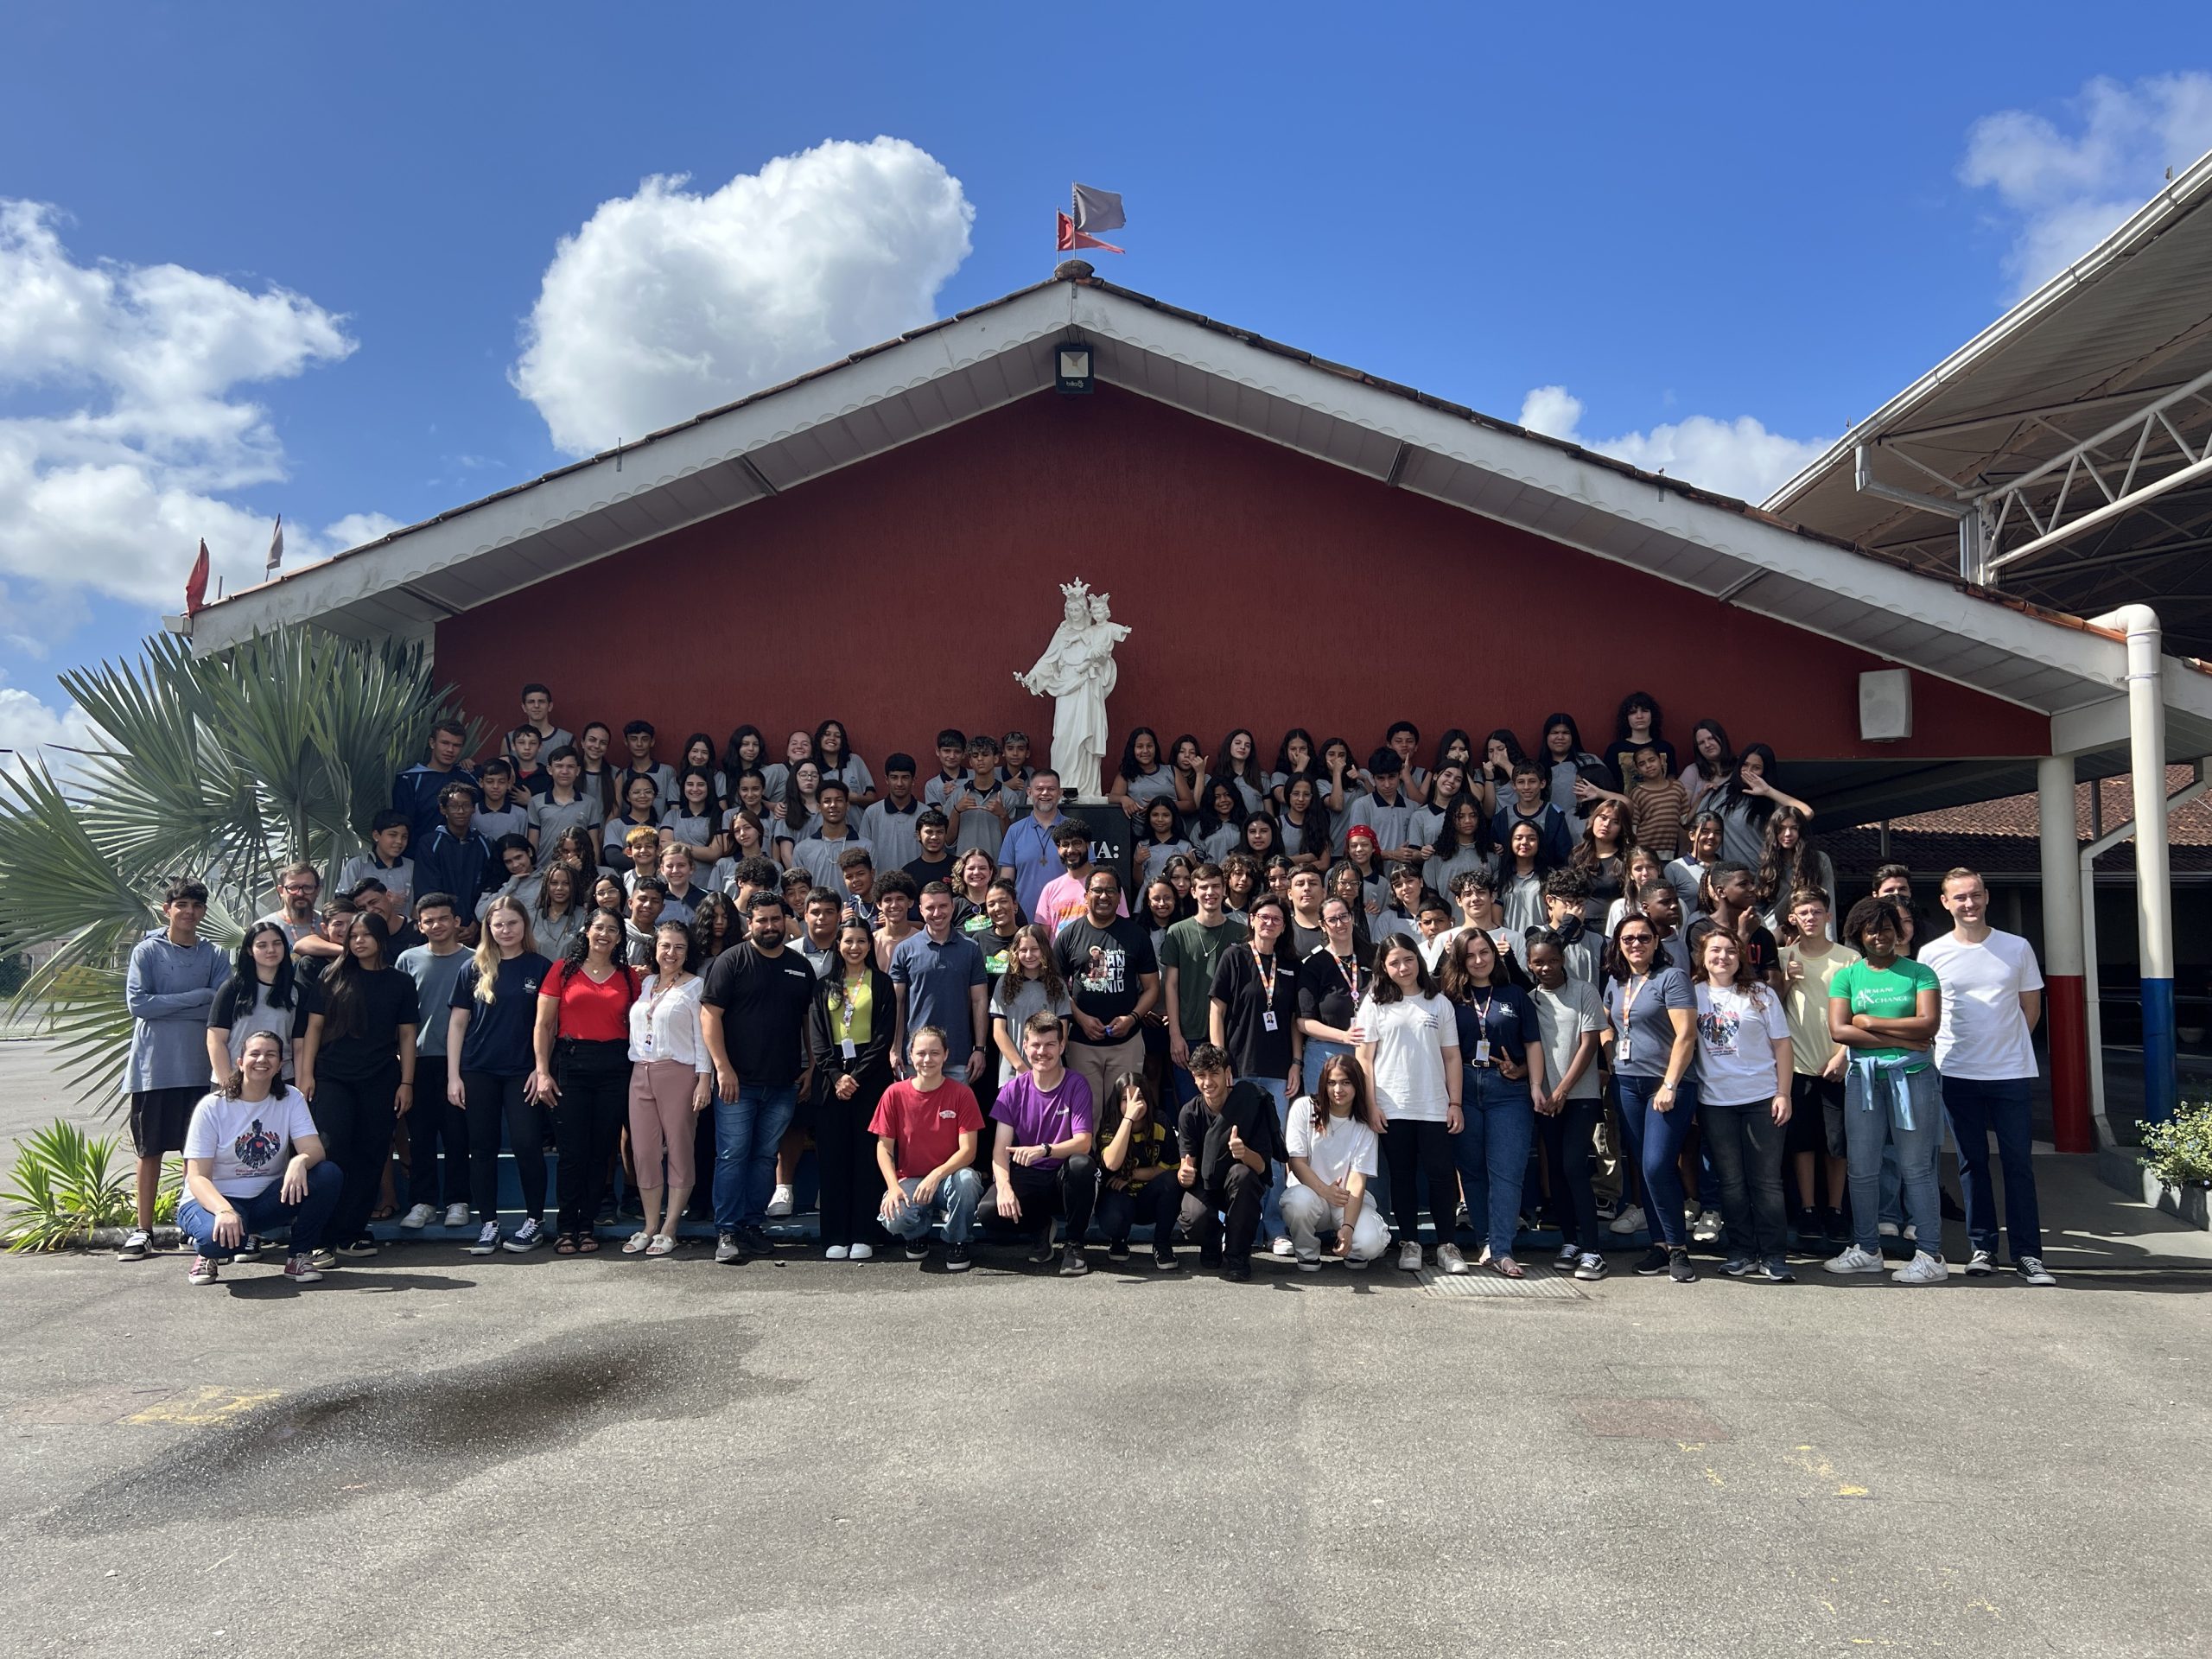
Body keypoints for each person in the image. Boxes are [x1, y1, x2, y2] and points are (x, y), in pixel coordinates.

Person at [1919, 868, 2056, 1286]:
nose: (1969, 904)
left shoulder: (2017, 948)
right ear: (1946, 903)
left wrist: (2007, 1046)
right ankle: (1983, 1248)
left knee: (2018, 1163)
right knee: (1970, 1163)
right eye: (1959, 897)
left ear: (1986, 896)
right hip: (1956, 1071)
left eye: (1975, 895)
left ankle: (2029, 1255)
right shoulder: (1931, 953)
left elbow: (2030, 1008)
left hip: (2010, 1071)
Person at [1824, 897, 1948, 1285]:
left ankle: (1931, 1254)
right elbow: (1838, 1030)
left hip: (1913, 1078)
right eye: (1872, 930)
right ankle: (1866, 1249)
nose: (1880, 937)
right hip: (1863, 1078)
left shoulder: (1920, 973)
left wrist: (1869, 1021)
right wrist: (1903, 1036)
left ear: (1899, 932)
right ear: (1859, 934)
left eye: (1887, 929)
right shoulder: (1847, 976)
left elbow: (1929, 1025)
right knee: (1862, 1169)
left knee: (1916, 1168)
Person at [701, 893, 821, 1263]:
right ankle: (728, 1231)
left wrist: (813, 1065)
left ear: (786, 921)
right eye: (761, 920)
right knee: (733, 1156)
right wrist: (723, 1068)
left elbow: (809, 1022)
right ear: (749, 923)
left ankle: (752, 1226)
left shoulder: (801, 967)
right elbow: (709, 1016)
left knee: (765, 1157)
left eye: (775, 920)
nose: (769, 927)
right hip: (737, 1083)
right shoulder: (730, 961)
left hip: (783, 1083)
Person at [296, 910, 419, 1264]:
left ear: (382, 939)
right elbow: (313, 1029)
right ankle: (318, 1237)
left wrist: (407, 1082)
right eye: (353, 936)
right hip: (332, 1077)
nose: (359, 941)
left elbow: (407, 1035)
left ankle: (351, 1232)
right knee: (332, 1154)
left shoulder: (400, 982)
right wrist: (307, 1076)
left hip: (381, 1078)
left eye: (366, 935)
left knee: (371, 1155)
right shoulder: (331, 976)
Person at [176, 1031, 342, 1287]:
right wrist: (224, 1210)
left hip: (265, 1201)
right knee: (218, 1241)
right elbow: (196, 1177)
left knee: (327, 1174)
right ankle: (206, 1253)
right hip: (215, 1200)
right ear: (240, 1062)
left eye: (270, 1054)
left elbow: (314, 1149)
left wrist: (299, 1161)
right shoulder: (212, 1107)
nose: (261, 1060)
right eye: (254, 1054)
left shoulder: (290, 1098)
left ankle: (299, 1256)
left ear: (279, 1066)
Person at [118, 877, 228, 1262]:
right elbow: (139, 1005)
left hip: (200, 1070)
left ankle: (188, 1225)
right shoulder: (146, 951)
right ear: (168, 909)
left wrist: (173, 1002)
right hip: (154, 1069)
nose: (189, 912)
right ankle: (142, 1230)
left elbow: (219, 1005)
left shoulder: (214, 955)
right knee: (149, 1151)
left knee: (193, 1155)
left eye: (197, 906)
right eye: (182, 905)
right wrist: (197, 996)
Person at [446, 894, 554, 1255]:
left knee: (526, 1144)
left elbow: (549, 1025)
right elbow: (458, 1024)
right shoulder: (472, 967)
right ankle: (489, 1224)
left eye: (512, 922)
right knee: (482, 1148)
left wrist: (542, 1070)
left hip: (522, 1072)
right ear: (488, 928)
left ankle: (534, 1221)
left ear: (525, 924)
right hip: (478, 1070)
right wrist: (453, 1076)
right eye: (498, 924)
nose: (505, 930)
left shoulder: (540, 967)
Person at [531, 908, 639, 1255]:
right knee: (572, 1153)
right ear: (586, 931)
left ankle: (588, 1224)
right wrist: (542, 1070)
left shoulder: (627, 976)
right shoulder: (563, 970)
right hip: (571, 1065)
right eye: (598, 927)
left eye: (612, 929)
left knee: (601, 1151)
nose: (604, 934)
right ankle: (566, 1227)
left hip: (615, 1067)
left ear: (620, 938)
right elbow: (544, 1025)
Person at [1689, 929, 1796, 1283]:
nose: (1723, 957)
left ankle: (1775, 1255)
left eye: (1730, 951)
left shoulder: (1761, 993)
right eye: (1715, 950)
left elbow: (1782, 1046)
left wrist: (1784, 1093)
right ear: (1702, 956)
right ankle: (1741, 1252)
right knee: (1730, 1182)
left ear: (1741, 957)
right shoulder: (1692, 995)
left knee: (1766, 1182)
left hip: (1761, 1098)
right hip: (1715, 1102)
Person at [1602, 917, 1702, 1281]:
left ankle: (1678, 1249)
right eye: (1627, 938)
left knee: (1659, 1164)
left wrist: (1670, 1084)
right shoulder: (1617, 980)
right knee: (1644, 1165)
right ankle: (1660, 1246)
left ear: (1656, 940)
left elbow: (1686, 1035)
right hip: (1627, 1083)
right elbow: (1607, 1023)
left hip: (1667, 1085)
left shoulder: (1671, 978)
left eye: (1644, 937)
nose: (1635, 944)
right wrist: (1612, 1058)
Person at [1357, 933, 1462, 1273]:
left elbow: (1451, 1057)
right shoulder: (1374, 1001)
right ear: (1383, 968)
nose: (1403, 968)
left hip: (1434, 1104)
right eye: (1394, 962)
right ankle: (1410, 1243)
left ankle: (1447, 1245)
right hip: (1392, 1105)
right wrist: (1371, 1105)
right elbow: (1364, 1059)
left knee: (1441, 1175)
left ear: (1418, 959)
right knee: (1401, 1176)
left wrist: (1455, 1103)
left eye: (1408, 959)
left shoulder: (1439, 1003)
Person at [1440, 927, 1541, 1278]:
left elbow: (1533, 1043)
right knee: (1471, 1170)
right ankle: (1486, 1243)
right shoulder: (1448, 999)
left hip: (1508, 1091)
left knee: (1507, 1172)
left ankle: (1502, 1248)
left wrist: (1532, 1080)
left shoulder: (1515, 994)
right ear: (1459, 960)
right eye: (1470, 955)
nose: (1479, 960)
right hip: (1463, 1088)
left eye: (1485, 952)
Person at [1208, 892, 1302, 1254]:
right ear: (1252, 920)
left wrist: (1295, 1063)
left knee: (1275, 1152)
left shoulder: (1290, 964)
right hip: (1239, 1069)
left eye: (1277, 919)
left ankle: (1275, 1229)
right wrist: (1221, 1063)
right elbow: (1217, 1010)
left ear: (1283, 926)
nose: (1269, 923)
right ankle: (1228, 1226)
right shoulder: (1234, 956)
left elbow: (1295, 1020)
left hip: (1278, 1071)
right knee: (1231, 1149)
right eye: (1263, 917)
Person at [982, 1012, 1097, 1274]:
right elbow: (1000, 1151)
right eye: (1035, 1045)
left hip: (1062, 1177)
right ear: (1025, 1046)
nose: (1041, 1052)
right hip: (1030, 1177)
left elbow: (1083, 1143)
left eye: (1049, 1045)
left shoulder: (1076, 1084)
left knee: (1082, 1166)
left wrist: (1045, 1149)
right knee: (988, 1212)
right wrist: (1004, 1188)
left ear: (1062, 1046)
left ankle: (1075, 1245)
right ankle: (1040, 1227)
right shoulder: (1012, 1090)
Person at [625, 918, 713, 1256]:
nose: (670, 953)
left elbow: (701, 1037)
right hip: (641, 1071)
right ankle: (649, 1224)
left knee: (679, 1147)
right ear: (655, 948)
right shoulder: (646, 983)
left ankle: (670, 1225)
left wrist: (704, 1078)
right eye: (665, 945)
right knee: (644, 1151)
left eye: (678, 947)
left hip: (679, 1071)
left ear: (687, 951)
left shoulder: (695, 986)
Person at [1778, 887, 1857, 1249]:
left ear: (1828, 916)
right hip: (1796, 1065)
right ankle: (1808, 1207)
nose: (1811, 918)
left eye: (1817, 911)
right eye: (1803, 912)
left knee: (1837, 1142)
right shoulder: (1784, 957)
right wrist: (1787, 981)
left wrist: (1842, 1055)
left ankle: (1836, 1208)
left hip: (1837, 1063)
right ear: (1793, 918)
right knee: (1802, 1141)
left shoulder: (1849, 959)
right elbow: (1770, 1008)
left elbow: (1858, 1011)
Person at [872, 1025, 986, 1270]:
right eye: (921, 1053)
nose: (927, 1059)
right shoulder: (894, 1094)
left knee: (968, 1181)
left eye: (935, 1053)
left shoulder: (962, 1094)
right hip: (910, 1179)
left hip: (949, 1179)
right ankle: (917, 1233)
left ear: (946, 1055)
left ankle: (957, 1240)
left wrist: (936, 1175)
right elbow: (884, 1148)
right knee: (895, 1217)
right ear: (910, 1055)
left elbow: (969, 1151)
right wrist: (893, 1188)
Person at [1528, 933, 1608, 1279]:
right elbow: (1534, 1049)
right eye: (1538, 962)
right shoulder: (1530, 999)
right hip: (1546, 1100)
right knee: (1556, 1170)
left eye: (1552, 960)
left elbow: (1589, 1044)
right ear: (1529, 964)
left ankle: (1593, 1249)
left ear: (1563, 959)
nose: (1546, 968)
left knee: (1575, 1166)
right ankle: (1571, 1241)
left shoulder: (1584, 991)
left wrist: (1561, 1090)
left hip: (1580, 1096)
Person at [1173, 1042, 1287, 1281]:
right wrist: (1184, 1173)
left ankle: (1237, 1255)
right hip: (1205, 1185)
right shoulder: (1189, 1113)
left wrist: (1243, 1152)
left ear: (1228, 1074)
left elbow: (1262, 1167)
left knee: (1242, 1175)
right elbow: (1188, 1164)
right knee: (1193, 1217)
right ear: (1193, 1078)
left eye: (1214, 1073)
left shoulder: (1250, 1104)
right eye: (1200, 1076)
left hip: (1239, 1187)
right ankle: (1212, 1241)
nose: (1208, 1082)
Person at [395, 893, 474, 1230]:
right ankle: (422, 1201)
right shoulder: (407, 960)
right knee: (421, 1136)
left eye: (443, 918)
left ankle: (458, 1201)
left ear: (456, 921)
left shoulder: (476, 959)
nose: (436, 925)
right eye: (428, 920)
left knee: (458, 1135)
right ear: (419, 925)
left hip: (463, 1061)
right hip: (419, 1060)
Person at [1053, 867, 1161, 1111]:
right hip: (1081, 1043)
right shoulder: (1069, 936)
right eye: (1098, 890)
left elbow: (1152, 987)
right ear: (1086, 895)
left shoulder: (1136, 935)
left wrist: (1132, 1018)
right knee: (1087, 1112)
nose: (1104, 896)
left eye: (1111, 891)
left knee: (1124, 1112)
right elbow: (1055, 987)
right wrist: (1079, 1018)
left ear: (1120, 896)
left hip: (1127, 1042)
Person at [1281, 1054, 1391, 1269]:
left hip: (1347, 1201)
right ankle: (1307, 1253)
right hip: (1312, 1196)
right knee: (1297, 1202)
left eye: (1346, 1082)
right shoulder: (1304, 1108)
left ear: (1357, 1085)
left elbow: (1358, 1179)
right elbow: (1297, 1162)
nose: (1338, 1090)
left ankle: (1352, 1249)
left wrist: (1348, 1227)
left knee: (1371, 1244)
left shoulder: (1365, 1124)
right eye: (1332, 1083)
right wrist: (1325, 1191)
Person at [1159, 862, 1249, 1094]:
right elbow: (1171, 985)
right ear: (1193, 892)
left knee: (1228, 1103)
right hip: (1189, 1034)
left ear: (1224, 890)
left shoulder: (1241, 932)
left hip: (1231, 1033)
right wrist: (1175, 1035)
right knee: (1192, 1104)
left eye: (1216, 886)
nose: (1210, 893)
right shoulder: (1178, 931)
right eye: (1204, 887)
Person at [890, 882, 989, 1082]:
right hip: (915, 1057)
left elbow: (979, 1001)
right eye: (930, 907)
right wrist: (894, 1049)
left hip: (959, 1056)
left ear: (952, 907)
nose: (937, 913)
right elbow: (897, 1003)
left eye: (943, 906)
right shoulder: (905, 949)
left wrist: (979, 1048)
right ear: (920, 910)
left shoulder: (971, 949)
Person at [207, 920, 319, 1088]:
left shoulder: (297, 992)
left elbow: (299, 1046)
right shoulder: (233, 988)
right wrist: (228, 1084)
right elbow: (215, 1039)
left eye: (277, 944)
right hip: (234, 1080)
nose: (271, 950)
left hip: (281, 1081)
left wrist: (301, 1083)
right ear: (249, 951)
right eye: (262, 945)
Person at [1092, 1071, 1183, 1268]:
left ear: (1149, 1099)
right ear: (1117, 1102)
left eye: (1139, 1098)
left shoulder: (1160, 1122)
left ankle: (1162, 1244)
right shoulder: (1110, 1125)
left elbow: (1172, 1166)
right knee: (1114, 1220)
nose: (1133, 1104)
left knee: (1172, 1182)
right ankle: (1118, 1240)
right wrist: (1128, 1120)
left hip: (1148, 1197)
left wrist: (1133, 1174)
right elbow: (1111, 1164)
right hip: (1118, 1197)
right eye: (1126, 1099)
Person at [1296, 896, 1370, 1096]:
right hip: (1326, 1052)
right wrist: (1344, 1036)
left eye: (1344, 917)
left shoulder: (1373, 955)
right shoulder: (1313, 965)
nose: (1340, 924)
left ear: (1352, 918)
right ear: (1322, 925)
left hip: (1369, 1050)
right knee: (1322, 1118)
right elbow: (1304, 1022)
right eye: (1332, 920)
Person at [989, 923, 1072, 1084]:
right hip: (1013, 1073)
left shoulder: (1057, 984)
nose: (1029, 955)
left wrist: (1045, 1066)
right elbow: (998, 1032)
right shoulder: (1005, 983)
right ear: (1015, 952)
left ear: (1044, 950)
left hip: (1048, 1070)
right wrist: (1021, 1068)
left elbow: (1062, 1032)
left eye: (1034, 949)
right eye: (1023, 950)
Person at [416, 781, 498, 922]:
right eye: (454, 806)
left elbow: (491, 887)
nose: (461, 811)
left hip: (479, 925)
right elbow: (428, 890)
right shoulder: (430, 843)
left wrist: (475, 923)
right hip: (441, 924)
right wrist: (453, 924)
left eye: (466, 805)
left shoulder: (486, 843)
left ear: (473, 808)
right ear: (443, 809)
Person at [998, 769, 1071, 920]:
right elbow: (1006, 880)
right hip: (1024, 919)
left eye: (1051, 789)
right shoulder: (1015, 831)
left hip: (1066, 918)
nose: (1045, 793)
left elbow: (1085, 876)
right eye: (1039, 789)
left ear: (1060, 793)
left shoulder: (1074, 830)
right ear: (1030, 793)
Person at [392, 718, 474, 848]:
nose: (450, 750)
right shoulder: (410, 779)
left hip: (459, 856)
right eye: (445, 743)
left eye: (456, 745)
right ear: (432, 743)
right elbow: (402, 825)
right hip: (418, 857)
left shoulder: (467, 778)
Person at [791, 779, 873, 892]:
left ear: (847, 805)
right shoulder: (802, 849)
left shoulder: (866, 846)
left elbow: (872, 889)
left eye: (839, 800)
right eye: (827, 801)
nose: (833, 805)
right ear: (819, 807)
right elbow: (799, 892)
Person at [528, 746, 604, 855]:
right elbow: (533, 841)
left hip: (579, 868)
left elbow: (594, 844)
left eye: (570, 767)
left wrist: (594, 868)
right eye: (559, 766)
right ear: (550, 770)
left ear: (577, 771)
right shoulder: (536, 802)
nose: (565, 771)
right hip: (544, 868)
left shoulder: (589, 803)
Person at [1625, 746, 1690, 861]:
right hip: (1645, 854)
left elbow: (1686, 820)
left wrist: (1701, 796)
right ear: (1638, 769)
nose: (1648, 766)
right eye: (1642, 764)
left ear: (1661, 761)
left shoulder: (1677, 787)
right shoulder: (1637, 793)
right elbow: (1633, 829)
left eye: (1652, 760)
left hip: (1671, 854)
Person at [261, 861, 325, 950]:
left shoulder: (331, 925)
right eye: (293, 887)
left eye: (307, 887)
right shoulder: (264, 928)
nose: (300, 893)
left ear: (317, 891)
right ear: (281, 891)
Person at [616, 719, 677, 810]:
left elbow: (674, 809)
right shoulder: (621, 775)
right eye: (633, 739)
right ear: (626, 742)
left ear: (652, 742)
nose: (639, 744)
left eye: (645, 739)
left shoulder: (667, 772)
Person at [472, 758, 531, 843]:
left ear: (509, 783)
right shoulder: (471, 812)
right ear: (481, 783)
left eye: (501, 782)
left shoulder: (520, 815)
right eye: (490, 781)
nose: (495, 786)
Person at [904, 807, 958, 890]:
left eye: (940, 832)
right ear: (918, 835)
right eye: (929, 832)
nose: (934, 837)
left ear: (946, 834)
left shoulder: (959, 866)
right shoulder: (908, 872)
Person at [517, 682, 572, 753]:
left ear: (550, 706)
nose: (536, 706)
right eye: (531, 702)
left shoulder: (566, 739)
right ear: (524, 707)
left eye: (541, 701)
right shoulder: (510, 739)